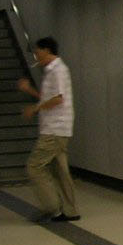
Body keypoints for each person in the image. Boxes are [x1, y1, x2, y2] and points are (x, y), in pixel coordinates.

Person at [17, 37, 79, 222]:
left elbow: (58, 99)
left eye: (38, 52)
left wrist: (34, 108)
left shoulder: (58, 70)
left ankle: (52, 208)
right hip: (57, 128)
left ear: (47, 50)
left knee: (34, 167)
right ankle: (70, 210)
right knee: (60, 170)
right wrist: (29, 91)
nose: (36, 56)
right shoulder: (53, 71)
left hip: (55, 129)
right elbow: (48, 97)